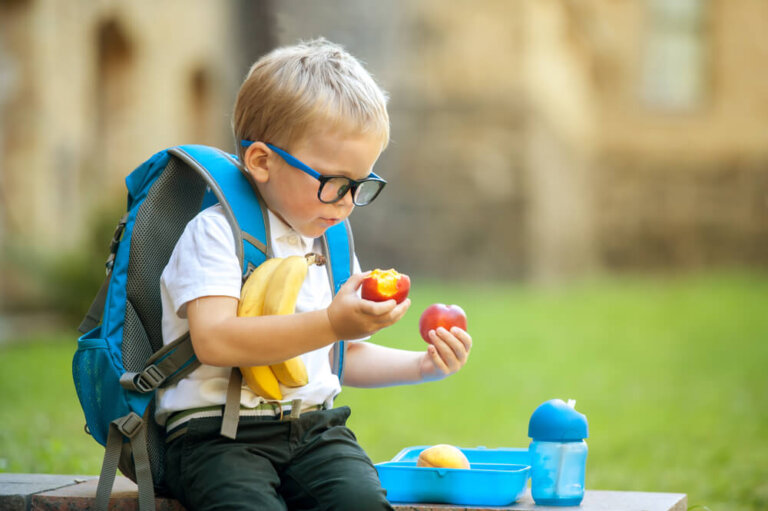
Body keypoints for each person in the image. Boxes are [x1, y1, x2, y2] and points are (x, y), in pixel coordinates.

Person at [157, 38, 472, 511]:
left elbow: (340, 356)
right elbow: (214, 341)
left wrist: (422, 367)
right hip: (217, 434)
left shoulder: (331, 242)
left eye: (360, 184)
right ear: (262, 162)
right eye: (333, 182)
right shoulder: (217, 233)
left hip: (315, 430)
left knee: (362, 503)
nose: (347, 202)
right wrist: (329, 323)